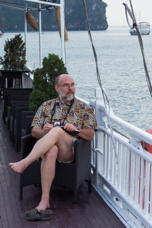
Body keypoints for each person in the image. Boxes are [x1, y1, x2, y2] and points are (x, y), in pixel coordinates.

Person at [9, 74, 97, 221]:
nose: (70, 89)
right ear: (57, 88)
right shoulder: (46, 105)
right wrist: (44, 131)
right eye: (66, 85)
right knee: (51, 150)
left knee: (57, 131)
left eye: (72, 85)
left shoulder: (84, 108)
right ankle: (44, 202)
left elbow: (90, 135)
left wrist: (75, 130)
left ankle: (25, 162)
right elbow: (34, 131)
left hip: (70, 151)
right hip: (49, 150)